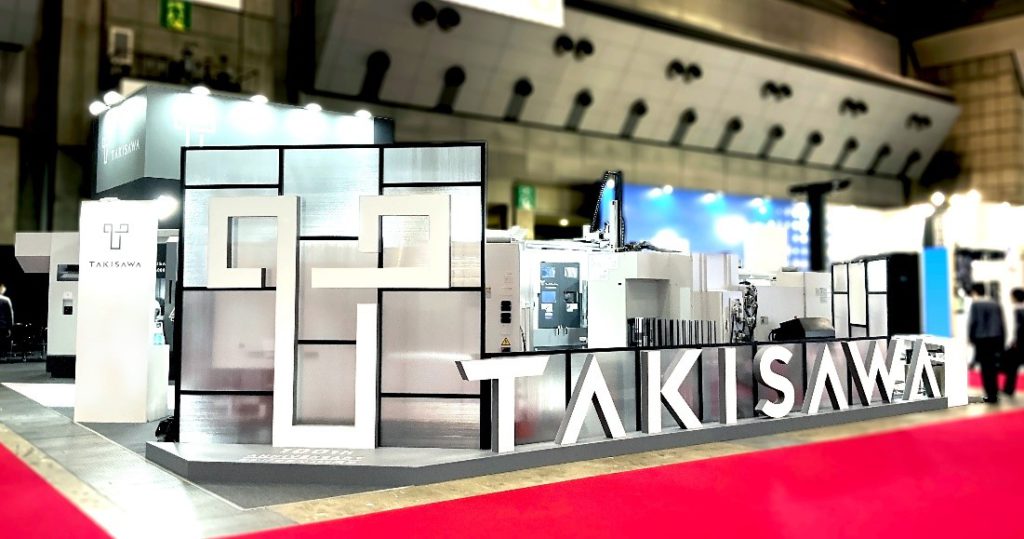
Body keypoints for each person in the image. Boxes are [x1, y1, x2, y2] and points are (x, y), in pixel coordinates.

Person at [968, 283, 1005, 403]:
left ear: (975, 292)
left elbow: (973, 322)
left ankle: (990, 394)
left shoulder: (975, 305)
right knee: (993, 367)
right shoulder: (995, 304)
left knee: (985, 368)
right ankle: (994, 392)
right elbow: (1001, 323)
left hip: (982, 339)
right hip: (995, 338)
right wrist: (1002, 340)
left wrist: (971, 337)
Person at [1005, 288, 1024, 396]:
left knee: (1012, 367)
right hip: (1020, 342)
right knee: (1012, 366)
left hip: (1019, 343)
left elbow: (1018, 328)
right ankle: (1008, 389)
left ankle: (1009, 389)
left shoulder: (1018, 309)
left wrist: (1014, 341)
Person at [0, 282, 12, 358]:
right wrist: (10, 327)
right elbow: (9, 315)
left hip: (3, 324)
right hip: (3, 324)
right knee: (2, 341)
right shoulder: (6, 300)